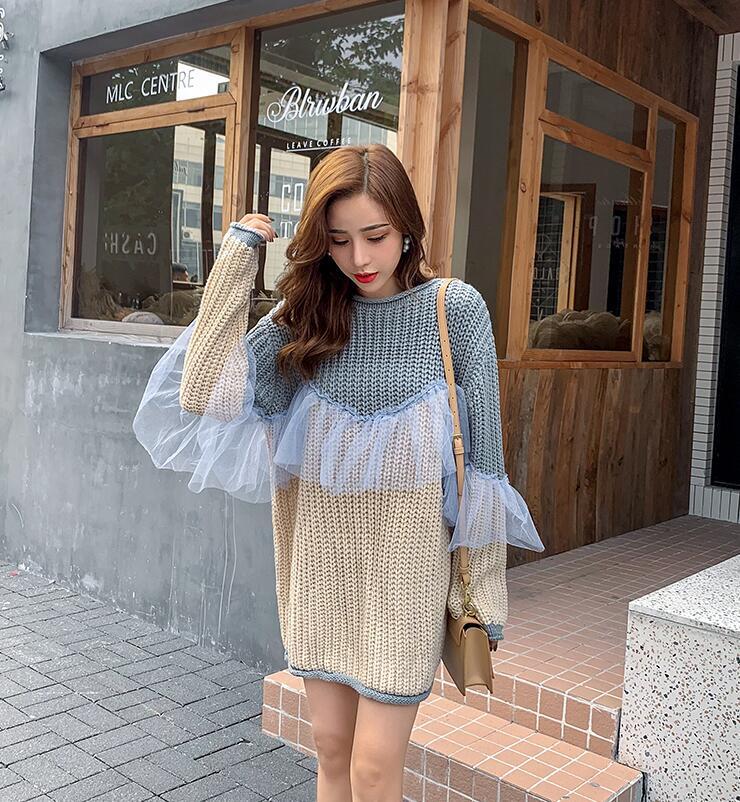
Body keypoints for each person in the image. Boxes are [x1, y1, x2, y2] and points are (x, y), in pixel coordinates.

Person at [132, 143, 544, 802]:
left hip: (407, 583)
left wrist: (482, 598)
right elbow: (205, 391)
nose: (359, 258)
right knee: (329, 749)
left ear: (407, 226)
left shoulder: (454, 312)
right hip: (319, 574)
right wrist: (238, 258)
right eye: (339, 240)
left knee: (375, 769)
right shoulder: (306, 318)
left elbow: (485, 469)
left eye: (375, 236)